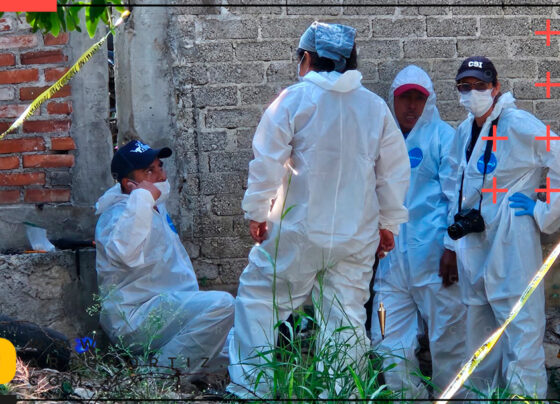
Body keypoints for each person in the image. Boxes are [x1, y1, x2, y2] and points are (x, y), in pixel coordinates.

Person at [227, 21, 410, 399]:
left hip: (298, 232)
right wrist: (388, 223)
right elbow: (393, 172)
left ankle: (253, 390)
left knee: (260, 301)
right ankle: (343, 394)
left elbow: (266, 163)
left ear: (308, 58)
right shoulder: (374, 108)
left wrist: (257, 212)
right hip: (356, 237)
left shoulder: (292, 101)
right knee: (345, 318)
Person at [449, 56, 560, 397]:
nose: (473, 93)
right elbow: (455, 185)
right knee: (479, 343)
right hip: (476, 248)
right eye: (465, 87)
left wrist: (545, 211)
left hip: (513, 244)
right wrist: (450, 243)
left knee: (521, 339)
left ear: (495, 88)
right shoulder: (464, 129)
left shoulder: (517, 123)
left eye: (480, 86)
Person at [95, 140, 234, 379]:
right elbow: (125, 254)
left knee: (242, 344)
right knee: (222, 305)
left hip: (168, 315)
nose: (161, 174)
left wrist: (145, 199)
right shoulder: (116, 215)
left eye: (159, 166)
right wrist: (142, 198)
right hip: (136, 318)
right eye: (150, 171)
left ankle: (157, 366)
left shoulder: (154, 207)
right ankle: (155, 380)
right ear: (131, 185)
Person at [370, 65, 467, 398]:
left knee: (449, 341)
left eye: (418, 98)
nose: (411, 106)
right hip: (391, 263)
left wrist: (452, 248)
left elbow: (458, 196)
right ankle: (406, 397)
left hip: (436, 262)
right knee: (388, 341)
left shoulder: (443, 137)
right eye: (404, 98)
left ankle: (452, 396)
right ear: (392, 100)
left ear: (430, 101)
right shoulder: (381, 140)